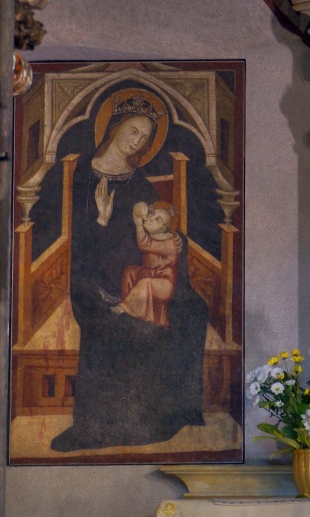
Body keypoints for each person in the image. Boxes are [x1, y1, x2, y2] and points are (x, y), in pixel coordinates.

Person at [50, 90, 209, 451]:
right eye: (133, 130)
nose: (137, 140)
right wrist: (104, 219)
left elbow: (154, 228)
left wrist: (174, 241)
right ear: (116, 126)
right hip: (92, 272)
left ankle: (160, 415)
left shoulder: (137, 181)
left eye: (145, 137)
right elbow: (76, 235)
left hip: (137, 269)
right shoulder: (82, 174)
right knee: (112, 319)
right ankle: (93, 427)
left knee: (191, 310)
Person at [111, 201, 183, 328]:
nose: (150, 218)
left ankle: (125, 307)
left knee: (145, 282)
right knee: (130, 271)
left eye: (157, 219)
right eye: (152, 214)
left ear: (162, 229)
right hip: (150, 273)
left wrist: (138, 224)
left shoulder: (170, 244)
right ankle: (128, 304)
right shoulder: (157, 235)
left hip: (164, 283)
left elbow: (143, 244)